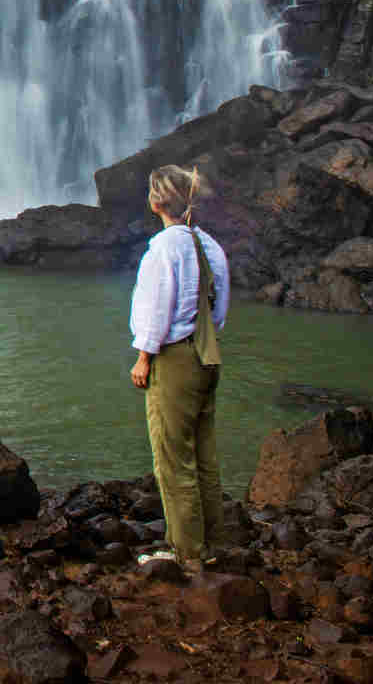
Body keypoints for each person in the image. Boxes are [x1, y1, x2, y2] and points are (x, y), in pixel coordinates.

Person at [128, 163, 229, 567]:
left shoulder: (164, 249)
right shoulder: (210, 246)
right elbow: (219, 310)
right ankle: (213, 544)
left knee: (173, 458)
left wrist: (144, 357)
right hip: (208, 354)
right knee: (204, 454)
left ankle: (187, 554)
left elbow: (157, 311)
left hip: (174, 360)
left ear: (156, 202)